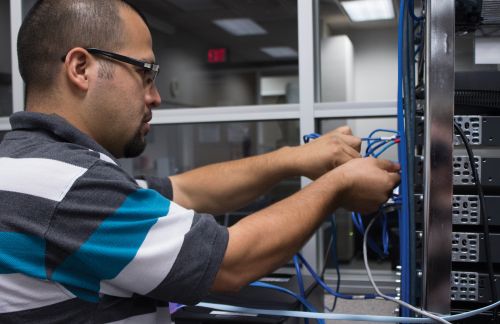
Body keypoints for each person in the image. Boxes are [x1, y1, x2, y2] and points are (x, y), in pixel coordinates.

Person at [0, 0, 400, 323]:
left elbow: (185, 189)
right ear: (81, 68)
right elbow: (231, 262)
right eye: (145, 72)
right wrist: (338, 185)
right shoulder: (69, 187)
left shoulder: (34, 167)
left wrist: (293, 159)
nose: (155, 96)